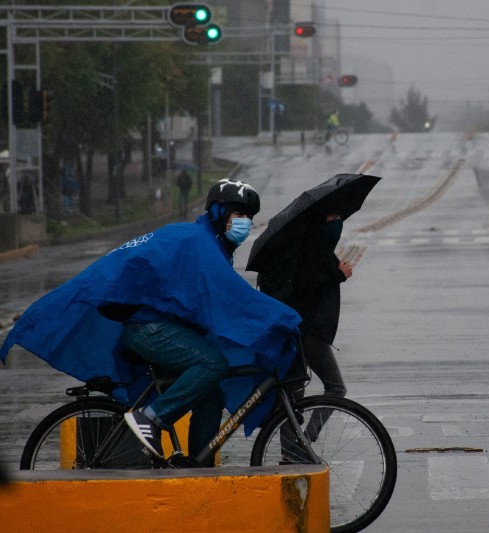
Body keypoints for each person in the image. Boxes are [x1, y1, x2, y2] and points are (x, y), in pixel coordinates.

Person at [0, 179, 302, 466]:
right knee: (213, 365)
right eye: (238, 213)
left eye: (249, 216)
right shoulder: (199, 243)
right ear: (217, 212)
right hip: (149, 329)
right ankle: (151, 419)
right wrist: (280, 319)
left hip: (158, 328)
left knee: (211, 395)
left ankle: (198, 468)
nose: (245, 222)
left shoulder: (208, 245)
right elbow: (232, 298)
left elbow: (215, 300)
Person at [258, 211, 351, 402]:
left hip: (299, 330)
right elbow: (306, 285)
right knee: (336, 389)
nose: (337, 222)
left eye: (338, 218)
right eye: (332, 218)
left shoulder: (312, 245)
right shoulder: (313, 248)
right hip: (309, 332)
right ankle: (308, 434)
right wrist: (338, 274)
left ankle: (291, 432)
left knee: (294, 389)